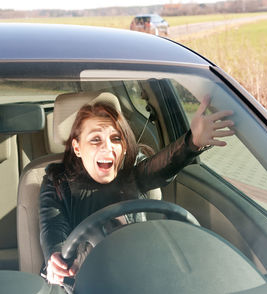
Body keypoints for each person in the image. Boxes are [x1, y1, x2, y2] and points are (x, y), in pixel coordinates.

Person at [39, 93, 234, 285]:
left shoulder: (132, 174)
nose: (108, 147)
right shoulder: (56, 182)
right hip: (85, 280)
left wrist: (192, 143)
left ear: (124, 147)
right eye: (95, 140)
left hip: (140, 273)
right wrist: (56, 257)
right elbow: (53, 227)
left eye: (116, 138)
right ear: (77, 147)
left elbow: (161, 166)